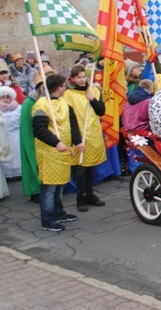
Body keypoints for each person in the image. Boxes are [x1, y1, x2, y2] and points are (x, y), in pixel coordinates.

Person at [32, 74, 80, 232]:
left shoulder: (64, 102)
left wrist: (77, 141)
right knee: (50, 187)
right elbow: (39, 130)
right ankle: (48, 219)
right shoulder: (41, 105)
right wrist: (56, 142)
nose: (66, 87)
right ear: (59, 87)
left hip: (63, 151)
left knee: (60, 185)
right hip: (49, 151)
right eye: (65, 85)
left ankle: (59, 212)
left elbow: (72, 123)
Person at [63, 64, 107, 212]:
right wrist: (76, 139)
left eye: (83, 77)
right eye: (78, 78)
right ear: (73, 79)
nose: (82, 80)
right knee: (81, 168)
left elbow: (101, 111)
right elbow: (70, 119)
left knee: (91, 167)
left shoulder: (93, 90)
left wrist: (93, 99)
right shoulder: (69, 95)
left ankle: (90, 194)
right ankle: (80, 197)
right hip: (80, 134)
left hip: (93, 133)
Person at [21, 68, 52, 203]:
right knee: (33, 163)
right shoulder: (29, 103)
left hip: (45, 138)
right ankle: (35, 191)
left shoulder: (48, 101)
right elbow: (27, 125)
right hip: (32, 138)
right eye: (42, 86)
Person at [121, 79, 154, 174]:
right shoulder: (148, 102)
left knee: (133, 152)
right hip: (143, 131)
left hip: (128, 131)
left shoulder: (128, 102)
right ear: (150, 89)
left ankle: (134, 170)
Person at [0, 85, 22, 179]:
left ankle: (19, 172)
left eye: (7, 97)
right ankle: (7, 173)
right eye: (3, 98)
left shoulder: (18, 108)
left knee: (17, 152)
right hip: (3, 134)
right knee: (6, 151)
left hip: (16, 133)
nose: (5, 100)